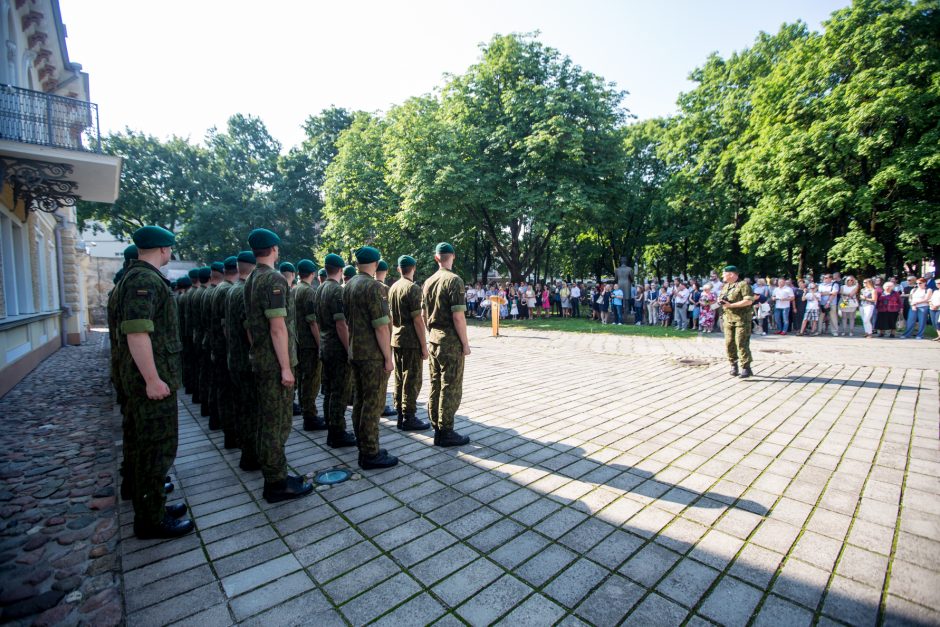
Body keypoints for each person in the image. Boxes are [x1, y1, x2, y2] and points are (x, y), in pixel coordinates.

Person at [115, 226, 193, 539]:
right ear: (163, 249)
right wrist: (152, 379)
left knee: (147, 444)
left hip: (153, 375)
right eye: (170, 248)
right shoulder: (144, 280)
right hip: (151, 380)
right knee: (156, 448)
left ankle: (153, 505)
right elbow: (137, 332)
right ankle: (151, 519)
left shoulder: (138, 277)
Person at [244, 228, 313, 503]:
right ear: (274, 249)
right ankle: (276, 483)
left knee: (268, 420)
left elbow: (251, 326)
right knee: (277, 423)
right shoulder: (273, 279)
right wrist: (285, 367)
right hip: (275, 364)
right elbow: (278, 327)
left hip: (262, 359)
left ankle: (277, 473)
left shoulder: (251, 278)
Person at [343, 247, 398, 469]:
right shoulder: (373, 287)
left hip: (356, 350)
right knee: (373, 404)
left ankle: (364, 444)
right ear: (375, 264)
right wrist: (387, 357)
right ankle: (370, 453)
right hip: (373, 355)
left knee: (360, 401)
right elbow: (381, 327)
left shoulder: (348, 286)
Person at [423, 242, 471, 447]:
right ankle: (446, 431)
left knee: (435, 384)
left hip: (434, 338)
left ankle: (436, 425)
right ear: (453, 256)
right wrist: (465, 344)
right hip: (450, 342)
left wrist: (431, 332)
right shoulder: (454, 280)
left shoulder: (428, 281)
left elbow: (424, 314)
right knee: (450, 387)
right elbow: (458, 316)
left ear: (436, 258)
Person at [316, 254, 358, 449]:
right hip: (337, 348)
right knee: (340, 392)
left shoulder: (320, 288)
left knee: (330, 391)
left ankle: (331, 426)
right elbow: (341, 324)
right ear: (341, 271)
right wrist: (349, 349)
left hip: (325, 345)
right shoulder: (336, 291)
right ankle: (337, 432)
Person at [225, 250, 261, 471]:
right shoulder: (245, 291)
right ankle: (251, 456)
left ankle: (245, 450)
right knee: (252, 412)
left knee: (242, 407)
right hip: (247, 361)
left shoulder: (231, 290)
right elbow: (250, 331)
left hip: (235, 357)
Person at [388, 255, 432, 432]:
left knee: (400, 378)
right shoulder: (413, 289)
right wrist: (423, 345)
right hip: (411, 340)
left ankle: (400, 412)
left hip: (397, 338)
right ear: (413, 268)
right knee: (412, 379)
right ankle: (409, 416)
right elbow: (417, 320)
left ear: (399, 269)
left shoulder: (393, 288)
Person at [293, 259, 324, 431]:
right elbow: (313, 322)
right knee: (311, 380)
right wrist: (320, 345)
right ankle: (310, 416)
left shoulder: (294, 290)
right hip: (309, 344)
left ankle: (306, 411)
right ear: (312, 274)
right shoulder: (309, 292)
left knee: (303, 378)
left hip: (297, 341)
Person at [211, 256, 238, 447]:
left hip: (218, 346)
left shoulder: (218, 290)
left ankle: (223, 427)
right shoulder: (228, 290)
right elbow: (226, 325)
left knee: (222, 391)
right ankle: (232, 435)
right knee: (230, 396)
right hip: (229, 349)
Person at [719, 266, 755, 378]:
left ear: (731, 274)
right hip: (728, 319)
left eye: (724, 273)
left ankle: (746, 367)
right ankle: (733, 365)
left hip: (741, 319)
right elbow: (722, 299)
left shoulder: (743, 285)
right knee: (729, 343)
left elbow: (748, 301)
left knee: (741, 342)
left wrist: (731, 305)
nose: (722, 275)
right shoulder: (726, 286)